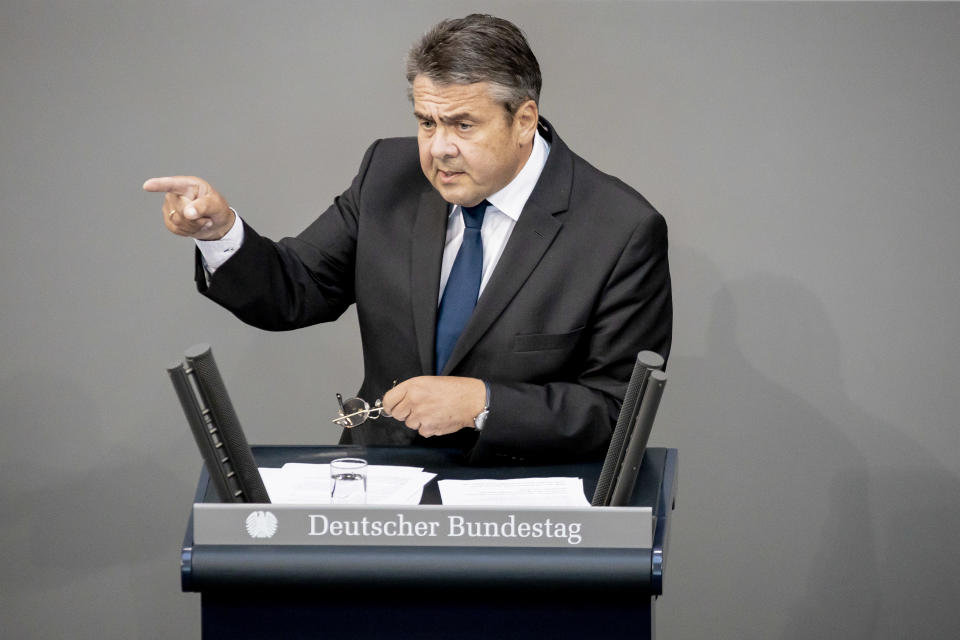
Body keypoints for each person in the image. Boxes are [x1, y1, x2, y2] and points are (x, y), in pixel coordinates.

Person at [144, 14, 671, 464]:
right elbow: (294, 288)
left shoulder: (620, 230)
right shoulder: (387, 175)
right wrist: (220, 233)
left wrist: (485, 403)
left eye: (462, 125)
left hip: (522, 504)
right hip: (381, 484)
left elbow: (616, 409)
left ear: (524, 120)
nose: (439, 149)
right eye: (426, 122)